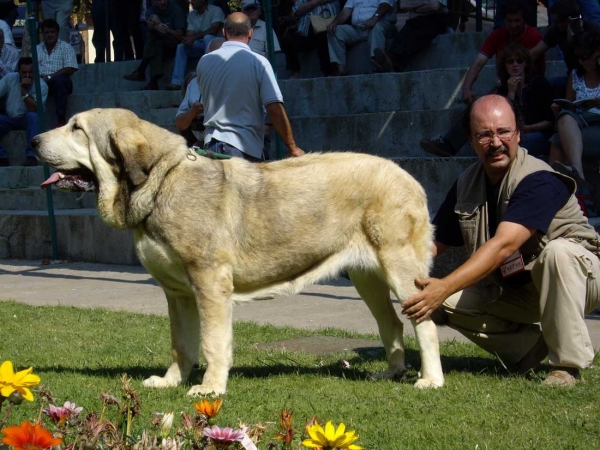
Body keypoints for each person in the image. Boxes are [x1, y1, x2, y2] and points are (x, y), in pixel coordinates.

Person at [403, 94, 600, 387]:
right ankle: (527, 351)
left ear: (519, 133)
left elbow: (505, 245)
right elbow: (432, 243)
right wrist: (389, 262)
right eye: (484, 135)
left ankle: (566, 367)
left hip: (581, 279)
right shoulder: (466, 184)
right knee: (429, 300)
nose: (495, 142)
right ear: (470, 141)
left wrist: (444, 285)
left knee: (557, 253)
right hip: (515, 288)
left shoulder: (539, 179)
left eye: (503, 131)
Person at [420, 0, 544, 157]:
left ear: (523, 20)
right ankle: (449, 145)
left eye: (517, 21)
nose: (513, 25)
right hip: (506, 86)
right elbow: (478, 63)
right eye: (510, 21)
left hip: (530, 88)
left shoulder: (533, 36)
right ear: (504, 21)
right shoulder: (497, 35)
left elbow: (536, 71)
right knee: (479, 107)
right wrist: (466, 88)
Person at [197, 12, 304, 161]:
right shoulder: (259, 62)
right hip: (243, 149)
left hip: (211, 148)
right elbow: (274, 108)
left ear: (224, 32)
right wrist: (292, 147)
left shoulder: (204, 61)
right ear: (250, 33)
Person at [548, 30, 600, 217]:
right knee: (564, 116)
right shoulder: (575, 76)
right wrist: (559, 108)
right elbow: (570, 105)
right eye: (578, 57)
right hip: (580, 123)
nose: (581, 61)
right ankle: (578, 174)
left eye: (585, 56)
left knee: (557, 141)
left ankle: (555, 195)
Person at [530, 0, 600, 98]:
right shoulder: (557, 31)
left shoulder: (594, 31)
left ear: (568, 20)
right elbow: (535, 52)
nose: (556, 24)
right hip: (573, 77)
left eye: (558, 21)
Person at [495, 44, 554, 157]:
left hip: (539, 134)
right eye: (510, 62)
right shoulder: (503, 89)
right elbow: (503, 121)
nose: (515, 65)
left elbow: (550, 121)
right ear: (505, 65)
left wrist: (528, 128)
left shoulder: (539, 84)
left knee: (515, 142)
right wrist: (511, 93)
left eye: (519, 61)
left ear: (526, 63)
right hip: (513, 135)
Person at [371, 0, 451, 73]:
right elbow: (403, 5)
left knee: (418, 34)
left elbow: (434, 6)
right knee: (402, 37)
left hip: (436, 18)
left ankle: (390, 62)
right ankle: (389, 64)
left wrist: (415, 7)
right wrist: (426, 2)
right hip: (415, 21)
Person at [123, 0, 186, 91]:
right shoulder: (151, 11)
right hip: (159, 45)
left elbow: (180, 36)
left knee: (152, 38)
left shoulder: (176, 10)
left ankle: (141, 70)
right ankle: (153, 81)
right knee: (155, 43)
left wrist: (163, 27)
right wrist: (155, 27)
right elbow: (149, 26)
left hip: (175, 44)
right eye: (159, 0)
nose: (162, 2)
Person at [325, 0, 397, 76]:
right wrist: (334, 23)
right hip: (358, 29)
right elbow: (346, 11)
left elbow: (385, 5)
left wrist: (374, 18)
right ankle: (341, 70)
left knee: (377, 27)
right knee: (335, 31)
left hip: (381, 25)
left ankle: (378, 65)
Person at [175, 37, 224, 146]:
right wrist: (193, 112)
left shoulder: (239, 81)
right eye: (214, 56)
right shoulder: (194, 83)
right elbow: (180, 124)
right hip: (202, 142)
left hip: (229, 143)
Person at [0, 57, 48, 167]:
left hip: (27, 119)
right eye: (24, 72)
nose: (27, 75)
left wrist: (23, 90)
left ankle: (31, 156)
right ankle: (2, 157)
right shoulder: (10, 78)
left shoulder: (42, 85)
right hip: (9, 118)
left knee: (33, 117)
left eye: (30, 72)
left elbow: (34, 108)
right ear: (18, 72)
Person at [165, 0, 224, 90]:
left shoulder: (216, 10)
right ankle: (176, 82)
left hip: (215, 46)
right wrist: (188, 39)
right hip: (200, 45)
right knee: (181, 47)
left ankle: (207, 75)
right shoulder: (191, 15)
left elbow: (214, 30)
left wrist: (193, 37)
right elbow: (190, 33)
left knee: (207, 38)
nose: (190, 1)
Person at [282, 0, 339, 78]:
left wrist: (311, 4)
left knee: (322, 35)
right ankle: (296, 72)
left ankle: (329, 72)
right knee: (289, 38)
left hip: (326, 27)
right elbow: (296, 11)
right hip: (306, 31)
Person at [37, 19, 78, 127]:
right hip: (42, 82)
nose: (50, 35)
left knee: (59, 81)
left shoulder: (66, 47)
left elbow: (70, 68)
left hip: (62, 82)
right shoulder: (37, 49)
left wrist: (50, 77)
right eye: (46, 32)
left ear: (57, 32)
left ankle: (61, 119)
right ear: (43, 34)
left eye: (52, 32)